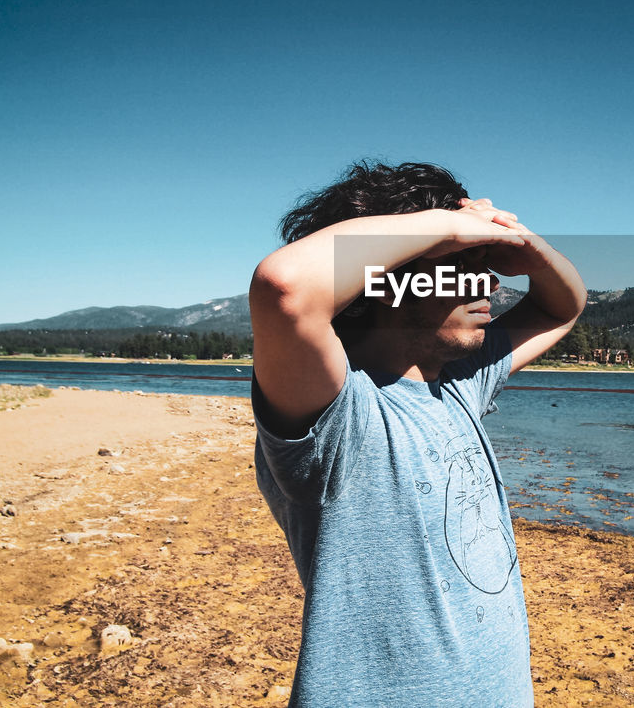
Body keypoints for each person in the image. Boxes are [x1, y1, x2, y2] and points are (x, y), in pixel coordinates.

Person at [249, 161, 586, 707]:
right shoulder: (342, 413)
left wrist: (518, 242)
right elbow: (285, 286)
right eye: (460, 265)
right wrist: (448, 225)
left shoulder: (458, 385)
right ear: (387, 279)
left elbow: (563, 304)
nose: (490, 284)